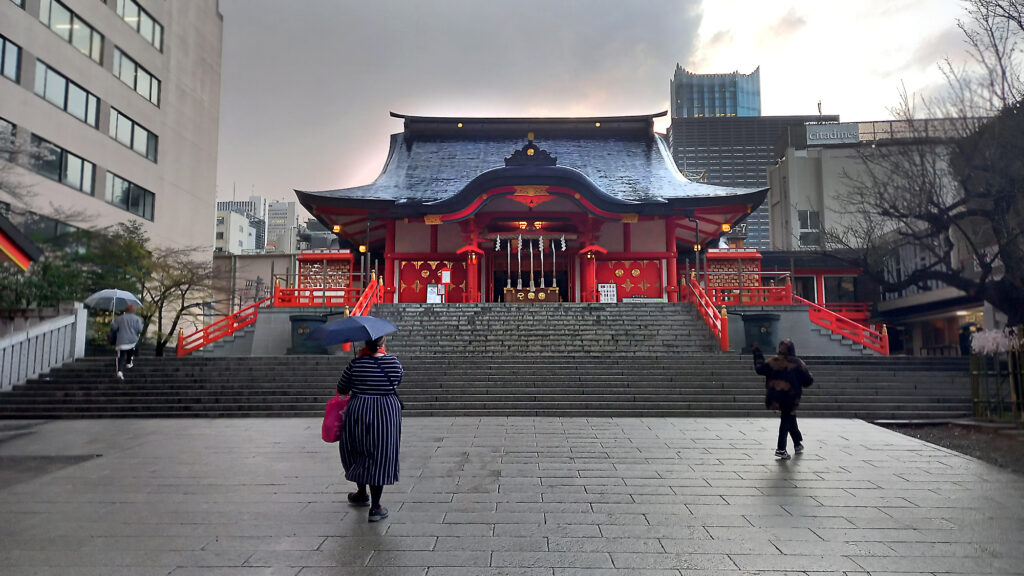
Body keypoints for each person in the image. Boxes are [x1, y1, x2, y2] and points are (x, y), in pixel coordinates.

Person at [337, 335, 402, 522]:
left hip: (360, 410)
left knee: (358, 450)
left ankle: (361, 492)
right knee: (380, 454)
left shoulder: (356, 364)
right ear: (382, 343)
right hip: (386, 412)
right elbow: (398, 380)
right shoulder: (393, 362)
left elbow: (342, 388)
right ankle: (376, 507)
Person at [753, 339, 813, 460]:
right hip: (791, 396)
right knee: (787, 417)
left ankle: (797, 443)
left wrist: (757, 353)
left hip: (774, 396)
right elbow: (808, 381)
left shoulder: (773, 361)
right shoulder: (798, 363)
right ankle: (781, 449)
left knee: (790, 416)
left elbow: (759, 369)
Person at [110, 304, 143, 381]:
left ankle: (120, 371)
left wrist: (112, 323)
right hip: (132, 339)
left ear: (126, 310)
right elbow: (140, 330)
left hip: (122, 340)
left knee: (121, 356)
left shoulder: (120, 318)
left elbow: (114, 327)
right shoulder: (138, 319)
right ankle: (128, 362)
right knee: (131, 349)